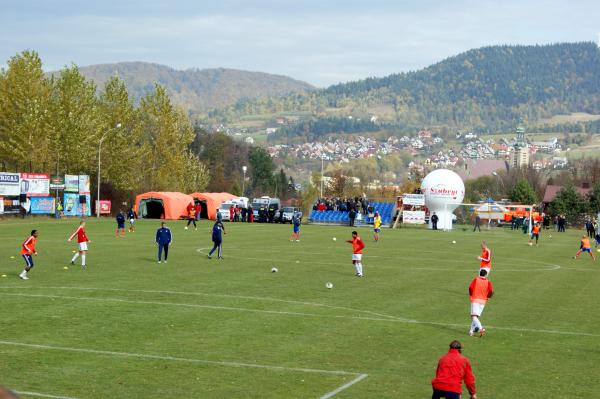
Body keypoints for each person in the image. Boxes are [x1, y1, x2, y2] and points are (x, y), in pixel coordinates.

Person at [468, 269, 493, 337]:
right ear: (486, 275)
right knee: (475, 316)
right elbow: (491, 291)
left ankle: (481, 328)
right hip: (483, 301)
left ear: (480, 273)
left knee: (474, 316)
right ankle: (471, 331)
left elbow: (470, 287)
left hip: (475, 299)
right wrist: (488, 297)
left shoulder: (476, 279)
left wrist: (470, 294)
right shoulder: (488, 282)